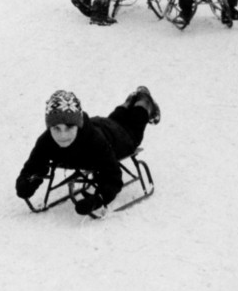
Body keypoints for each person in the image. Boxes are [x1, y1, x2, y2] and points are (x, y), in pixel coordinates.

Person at [15, 87, 161, 216]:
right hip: (102, 124)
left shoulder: (94, 142)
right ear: (49, 127)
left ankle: (144, 101)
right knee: (117, 117)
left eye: (69, 127)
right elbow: (33, 165)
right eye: (56, 128)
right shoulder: (46, 140)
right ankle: (129, 101)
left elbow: (113, 176)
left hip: (121, 137)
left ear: (78, 125)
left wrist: (99, 199)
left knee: (136, 120)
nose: (63, 135)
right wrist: (27, 182)